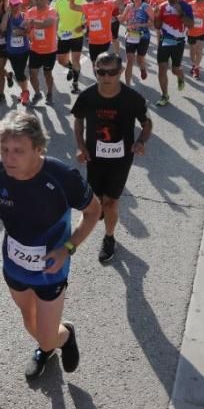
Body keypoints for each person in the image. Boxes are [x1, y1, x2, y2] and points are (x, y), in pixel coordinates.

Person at [0, 110, 101, 378]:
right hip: (14, 266)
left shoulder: (62, 177)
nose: (9, 157)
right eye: (4, 149)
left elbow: (93, 212)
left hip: (52, 269)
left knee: (47, 336)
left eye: (18, 150)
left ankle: (61, 339)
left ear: (38, 149)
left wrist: (68, 249)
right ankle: (47, 344)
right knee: (29, 320)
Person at [71, 52, 151, 262]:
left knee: (110, 202)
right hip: (94, 159)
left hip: (120, 159)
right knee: (95, 202)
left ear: (121, 71)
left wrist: (141, 141)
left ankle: (109, 238)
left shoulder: (132, 98)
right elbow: (78, 120)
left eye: (112, 72)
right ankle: (102, 213)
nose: (107, 77)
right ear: (95, 71)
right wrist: (80, 146)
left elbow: (147, 123)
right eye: (101, 72)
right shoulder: (87, 96)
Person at [152, 0, 194, 107]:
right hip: (164, 41)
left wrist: (181, 13)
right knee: (162, 69)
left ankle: (180, 76)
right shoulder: (162, 6)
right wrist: (156, 16)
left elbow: (191, 25)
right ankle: (165, 95)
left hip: (178, 42)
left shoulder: (185, 6)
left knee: (175, 70)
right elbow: (157, 26)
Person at [26, 0, 60, 105]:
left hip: (49, 50)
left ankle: (49, 93)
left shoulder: (52, 11)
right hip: (35, 49)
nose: (38, 1)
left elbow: (47, 24)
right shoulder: (30, 11)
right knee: (32, 74)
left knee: (47, 74)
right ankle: (37, 93)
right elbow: (26, 28)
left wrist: (31, 23)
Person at [53, 0, 87, 94]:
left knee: (76, 60)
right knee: (61, 61)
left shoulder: (82, 2)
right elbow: (55, 16)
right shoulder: (59, 1)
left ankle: (75, 83)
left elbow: (89, 17)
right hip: (63, 35)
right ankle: (71, 68)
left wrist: (82, 26)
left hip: (77, 35)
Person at [120, 0, 153, 87]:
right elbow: (123, 19)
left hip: (144, 36)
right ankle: (128, 86)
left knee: (140, 59)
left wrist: (140, 25)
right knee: (130, 60)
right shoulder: (129, 6)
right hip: (131, 35)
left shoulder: (146, 6)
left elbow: (153, 22)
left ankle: (142, 68)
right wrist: (120, 18)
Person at [4, 0, 32, 106]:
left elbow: (28, 31)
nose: (16, 6)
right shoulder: (7, 16)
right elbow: (2, 28)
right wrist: (6, 14)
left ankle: (25, 93)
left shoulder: (25, 16)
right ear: (9, 5)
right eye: (13, 4)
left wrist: (23, 31)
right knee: (17, 72)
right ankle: (23, 91)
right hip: (11, 50)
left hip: (23, 49)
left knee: (20, 72)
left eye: (18, 4)